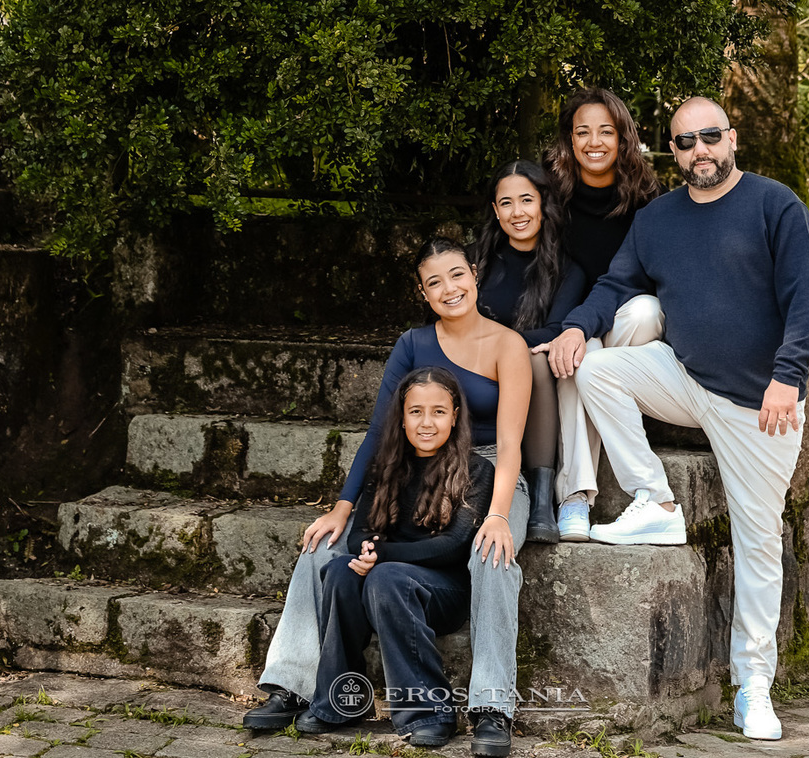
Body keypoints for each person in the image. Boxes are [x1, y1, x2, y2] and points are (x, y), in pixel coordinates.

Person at [547, 96, 809, 744]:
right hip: (687, 377)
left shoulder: (774, 204)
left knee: (758, 544)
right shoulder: (659, 219)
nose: (699, 149)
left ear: (732, 139)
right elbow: (617, 287)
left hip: (760, 403)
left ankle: (752, 686)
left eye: (709, 136)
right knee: (595, 368)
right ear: (670, 153)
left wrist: (788, 378)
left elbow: (805, 299)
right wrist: (575, 327)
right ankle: (654, 497)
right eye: (684, 141)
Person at [244, 237, 531, 758]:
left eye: (457, 275)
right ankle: (295, 684)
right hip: (417, 462)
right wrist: (342, 506)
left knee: (492, 555)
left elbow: (511, 442)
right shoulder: (413, 344)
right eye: (434, 281)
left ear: (475, 275)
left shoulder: (507, 344)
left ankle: (491, 707)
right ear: (422, 292)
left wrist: (497, 514)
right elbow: (381, 435)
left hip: (489, 471)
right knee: (322, 550)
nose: (449, 289)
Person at [295, 367, 495, 750]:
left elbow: (452, 546)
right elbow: (359, 533)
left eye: (438, 411)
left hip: (443, 591)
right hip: (384, 580)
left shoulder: (476, 470)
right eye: (416, 411)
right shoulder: (384, 466)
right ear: (402, 418)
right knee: (339, 570)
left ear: (455, 416)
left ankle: (431, 711)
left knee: (386, 578)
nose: (426, 422)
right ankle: (342, 700)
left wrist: (382, 556)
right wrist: (368, 552)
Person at [540, 89, 663, 541]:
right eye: (583, 131)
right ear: (570, 140)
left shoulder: (649, 199)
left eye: (606, 131)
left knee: (648, 312)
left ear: (623, 138)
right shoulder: (552, 197)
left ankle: (604, 394)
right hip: (576, 324)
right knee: (579, 353)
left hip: (626, 319)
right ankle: (574, 497)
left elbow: (642, 280)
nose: (594, 141)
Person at [471, 160, 588, 542]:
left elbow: (556, 331)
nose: (517, 212)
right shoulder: (474, 262)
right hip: (472, 370)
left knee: (536, 357)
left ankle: (541, 500)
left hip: (532, 381)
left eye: (526, 200)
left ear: (543, 204)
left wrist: (500, 348)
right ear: (494, 210)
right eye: (506, 203)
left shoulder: (568, 269)